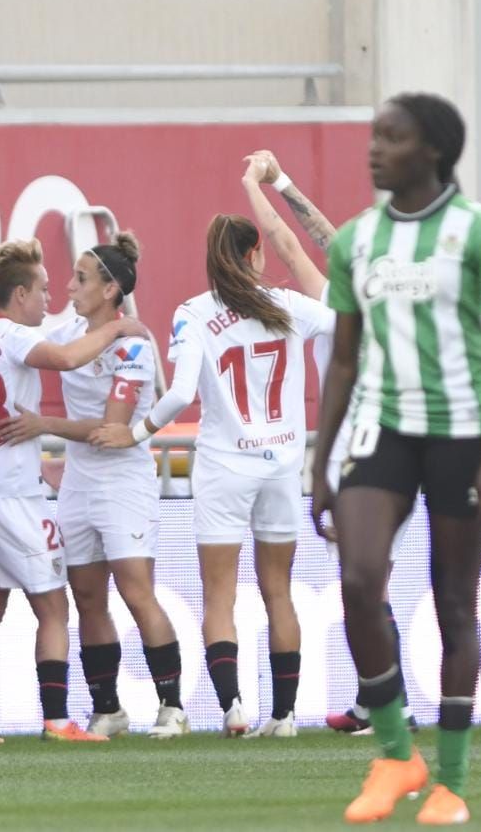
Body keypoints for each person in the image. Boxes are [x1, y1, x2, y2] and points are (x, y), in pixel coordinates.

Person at [309, 92, 481, 825]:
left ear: (431, 149)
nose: (375, 148)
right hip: (383, 426)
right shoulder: (355, 240)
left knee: (455, 602)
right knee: (359, 580)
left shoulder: (480, 232)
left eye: (391, 137)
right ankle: (398, 754)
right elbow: (342, 360)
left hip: (462, 433)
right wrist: (320, 459)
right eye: (373, 135)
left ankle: (453, 781)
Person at [93, 214, 335, 740]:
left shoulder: (195, 313)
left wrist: (136, 435)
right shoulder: (290, 306)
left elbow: (180, 394)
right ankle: (286, 715)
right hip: (282, 467)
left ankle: (233, 709)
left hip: (225, 468)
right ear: (254, 255)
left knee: (220, 595)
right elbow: (349, 320)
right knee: (279, 592)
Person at [237, 150, 421, 739]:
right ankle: (376, 700)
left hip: (368, 455)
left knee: (367, 583)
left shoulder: (356, 312)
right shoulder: (364, 302)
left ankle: (394, 705)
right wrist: (284, 179)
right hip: (372, 450)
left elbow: (289, 245)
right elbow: (315, 238)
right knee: (362, 580)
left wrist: (255, 184)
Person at [0, 238, 145, 743]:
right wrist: (118, 327)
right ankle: (58, 719)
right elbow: (63, 357)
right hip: (10, 493)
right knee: (54, 609)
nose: (49, 297)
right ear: (18, 294)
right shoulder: (16, 333)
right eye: (40, 289)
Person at [0, 232, 188, 739]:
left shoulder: (135, 349)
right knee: (85, 597)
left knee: (135, 590)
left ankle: (172, 708)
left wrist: (45, 425)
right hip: (78, 484)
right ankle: (109, 709)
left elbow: (112, 430)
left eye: (80, 278)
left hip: (125, 481)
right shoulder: (70, 333)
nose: (68, 286)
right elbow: (17, 339)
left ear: (110, 289)